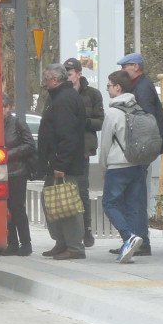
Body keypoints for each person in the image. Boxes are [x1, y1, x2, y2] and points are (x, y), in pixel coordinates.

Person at [107, 52, 163, 259]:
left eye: (125, 68)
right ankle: (135, 240)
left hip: (136, 154)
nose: (123, 72)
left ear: (135, 67)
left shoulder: (141, 89)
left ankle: (137, 240)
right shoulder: (142, 86)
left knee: (132, 201)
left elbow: (143, 125)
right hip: (140, 153)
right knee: (134, 199)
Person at [37, 63, 88, 260]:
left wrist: (61, 165)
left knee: (67, 205)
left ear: (55, 80)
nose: (44, 83)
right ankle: (62, 241)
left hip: (63, 165)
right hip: (57, 163)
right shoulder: (60, 97)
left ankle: (74, 246)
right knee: (52, 202)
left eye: (46, 79)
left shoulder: (64, 100)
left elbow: (67, 135)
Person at [98, 70, 148, 263]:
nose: (108, 89)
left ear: (118, 88)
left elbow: (105, 146)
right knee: (133, 206)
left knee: (109, 203)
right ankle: (131, 248)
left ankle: (128, 237)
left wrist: (103, 168)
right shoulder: (138, 109)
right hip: (137, 164)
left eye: (109, 86)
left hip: (118, 166)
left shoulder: (112, 113)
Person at [63, 57, 105, 248]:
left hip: (83, 150)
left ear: (79, 74)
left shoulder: (93, 95)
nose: (67, 78)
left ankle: (87, 231)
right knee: (64, 193)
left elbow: (99, 121)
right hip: (64, 150)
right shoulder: (60, 94)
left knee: (82, 192)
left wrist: (84, 122)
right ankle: (68, 235)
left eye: (70, 74)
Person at [1, 93, 36, 257]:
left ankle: (26, 243)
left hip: (16, 171)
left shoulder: (17, 123)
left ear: (7, 107)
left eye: (1, 107)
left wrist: (9, 153)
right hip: (0, 173)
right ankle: (12, 243)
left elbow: (30, 145)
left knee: (17, 208)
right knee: (5, 209)